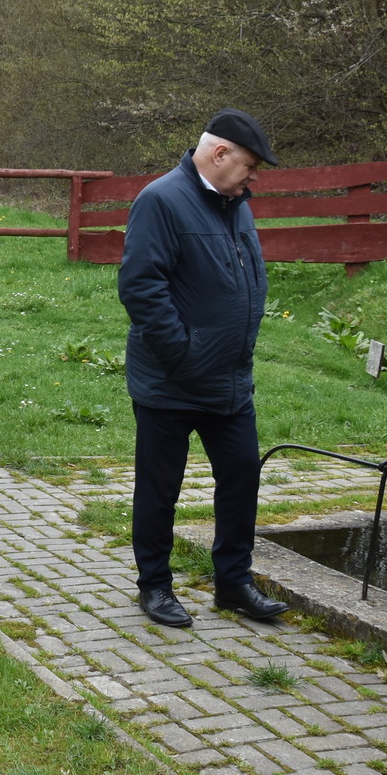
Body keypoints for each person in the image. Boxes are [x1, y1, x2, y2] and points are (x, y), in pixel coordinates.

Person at [119, 108, 291, 628]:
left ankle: (234, 584)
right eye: (250, 165)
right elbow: (141, 287)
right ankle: (155, 585)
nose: (254, 176)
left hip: (229, 380)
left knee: (241, 476)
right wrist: (182, 353)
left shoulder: (236, 203)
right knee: (160, 486)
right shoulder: (161, 200)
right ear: (219, 153)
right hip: (171, 380)